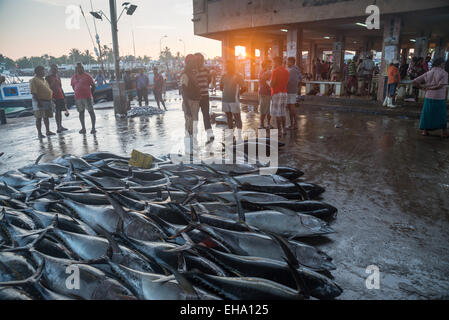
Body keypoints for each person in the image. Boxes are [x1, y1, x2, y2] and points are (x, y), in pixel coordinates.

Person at [413, 57, 448, 138]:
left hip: (428, 96)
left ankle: (425, 131)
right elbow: (440, 86)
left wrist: (423, 88)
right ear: (441, 64)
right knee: (441, 115)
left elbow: (415, 81)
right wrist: (429, 88)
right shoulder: (444, 73)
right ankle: (444, 132)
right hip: (439, 97)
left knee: (427, 114)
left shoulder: (428, 73)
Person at [220, 60, 246, 138]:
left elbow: (244, 88)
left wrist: (238, 94)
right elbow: (221, 87)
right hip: (225, 99)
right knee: (228, 117)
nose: (228, 67)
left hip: (234, 100)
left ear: (233, 67)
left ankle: (239, 135)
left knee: (237, 117)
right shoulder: (223, 76)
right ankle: (231, 134)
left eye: (229, 66)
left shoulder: (238, 76)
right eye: (227, 66)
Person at [181, 55, 201, 152]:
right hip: (189, 103)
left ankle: (193, 148)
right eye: (192, 61)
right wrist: (188, 108)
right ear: (188, 62)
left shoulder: (193, 73)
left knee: (194, 126)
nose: (194, 63)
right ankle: (189, 150)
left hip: (195, 103)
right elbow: (183, 91)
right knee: (189, 127)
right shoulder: (185, 75)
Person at [30, 66, 55, 138]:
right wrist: (38, 102)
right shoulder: (34, 80)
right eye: (43, 71)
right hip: (39, 101)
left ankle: (48, 131)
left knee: (46, 117)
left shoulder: (44, 80)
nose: (45, 72)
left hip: (47, 100)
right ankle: (39, 133)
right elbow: (33, 92)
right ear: (38, 71)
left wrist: (51, 98)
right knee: (39, 117)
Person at [195, 53, 214, 144]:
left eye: (199, 59)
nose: (198, 61)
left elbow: (209, 80)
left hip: (204, 96)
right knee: (196, 116)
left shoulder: (206, 70)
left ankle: (209, 134)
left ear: (202, 60)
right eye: (197, 60)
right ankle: (195, 135)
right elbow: (209, 80)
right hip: (196, 97)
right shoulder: (193, 70)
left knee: (205, 115)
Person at [71, 62, 96, 134]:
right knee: (81, 112)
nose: (79, 69)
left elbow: (93, 86)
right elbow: (73, 87)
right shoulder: (73, 77)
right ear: (76, 69)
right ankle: (83, 128)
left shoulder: (88, 76)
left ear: (83, 68)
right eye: (78, 67)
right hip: (78, 98)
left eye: (81, 67)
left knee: (91, 112)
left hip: (87, 97)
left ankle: (93, 128)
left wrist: (90, 94)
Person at [46, 64, 69, 133]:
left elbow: (60, 87)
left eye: (56, 69)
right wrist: (51, 97)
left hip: (60, 96)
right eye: (53, 69)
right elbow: (47, 88)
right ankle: (58, 127)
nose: (55, 70)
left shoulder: (58, 77)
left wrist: (64, 96)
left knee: (60, 112)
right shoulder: (48, 77)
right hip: (54, 96)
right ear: (51, 70)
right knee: (57, 112)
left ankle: (60, 126)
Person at [270, 56, 290, 138]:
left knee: (277, 113)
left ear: (277, 62)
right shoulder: (286, 71)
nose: (273, 63)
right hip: (284, 93)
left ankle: (279, 132)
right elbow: (286, 82)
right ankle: (284, 129)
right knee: (283, 112)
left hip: (276, 93)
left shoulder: (275, 71)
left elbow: (272, 83)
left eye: (273, 62)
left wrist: (270, 83)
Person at [286, 57, 301, 129]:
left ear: (291, 62)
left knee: (291, 107)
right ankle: (293, 123)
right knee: (291, 107)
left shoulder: (292, 70)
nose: (287, 63)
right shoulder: (297, 69)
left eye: (288, 62)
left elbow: (288, 81)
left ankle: (293, 124)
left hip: (290, 91)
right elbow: (300, 78)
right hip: (294, 90)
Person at [258, 59, 272, 129]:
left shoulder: (266, 71)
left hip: (268, 93)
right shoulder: (264, 72)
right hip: (264, 93)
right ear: (266, 64)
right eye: (269, 64)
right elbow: (264, 80)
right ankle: (261, 124)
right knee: (263, 109)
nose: (271, 65)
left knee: (269, 110)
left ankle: (268, 124)